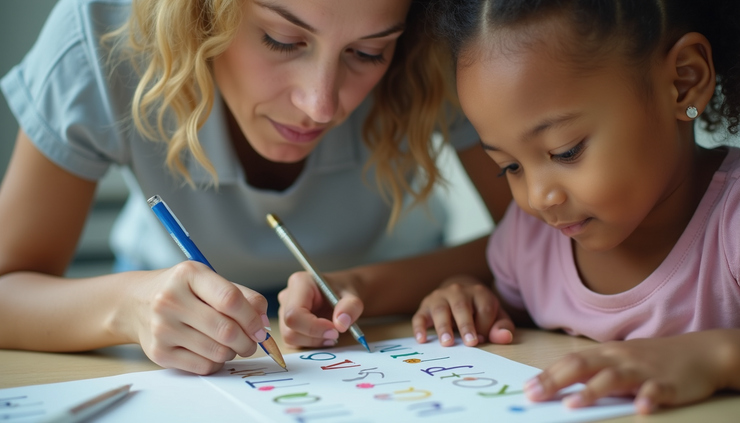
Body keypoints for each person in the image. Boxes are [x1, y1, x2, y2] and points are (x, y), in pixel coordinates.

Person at [0, 0, 512, 375]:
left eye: (368, 52)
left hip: (391, 309)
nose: (321, 105)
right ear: (200, 14)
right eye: (283, 40)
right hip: (165, 315)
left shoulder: (439, 40)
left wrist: (368, 286)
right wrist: (130, 306)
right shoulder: (100, 34)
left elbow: (538, 239)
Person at [412, 0, 740, 415]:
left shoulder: (732, 225)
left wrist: (717, 357)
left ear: (683, 81)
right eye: (509, 166)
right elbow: (511, 311)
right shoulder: (529, 242)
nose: (537, 197)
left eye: (565, 152)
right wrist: (468, 299)